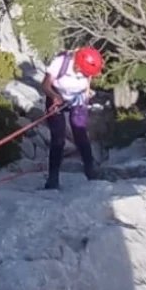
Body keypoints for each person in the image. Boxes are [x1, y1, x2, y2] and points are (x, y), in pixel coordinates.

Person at [40, 46, 104, 190]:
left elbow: (88, 79)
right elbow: (45, 85)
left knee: (80, 133)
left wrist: (86, 94)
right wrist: (54, 96)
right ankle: (53, 179)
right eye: (84, 71)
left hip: (77, 99)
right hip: (56, 97)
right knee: (58, 138)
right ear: (77, 65)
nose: (85, 74)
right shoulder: (61, 62)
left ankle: (90, 171)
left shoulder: (88, 67)